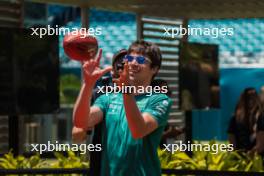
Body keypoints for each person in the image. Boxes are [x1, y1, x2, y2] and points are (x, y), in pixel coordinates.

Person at [73, 40, 172, 176]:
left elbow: (138, 130)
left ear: (154, 69)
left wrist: (126, 90)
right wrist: (88, 83)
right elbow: (81, 122)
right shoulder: (108, 98)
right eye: (130, 58)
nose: (133, 63)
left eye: (141, 59)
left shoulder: (160, 99)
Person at [72, 49, 127, 175]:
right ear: (112, 70)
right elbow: (77, 134)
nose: (122, 68)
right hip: (102, 163)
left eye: (127, 63)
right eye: (119, 65)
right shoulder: (101, 92)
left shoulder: (147, 93)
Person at [227, 87, 264, 155]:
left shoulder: (260, 118)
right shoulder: (235, 118)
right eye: (249, 98)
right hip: (244, 158)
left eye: (253, 98)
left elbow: (260, 146)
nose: (251, 101)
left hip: (252, 158)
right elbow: (232, 145)